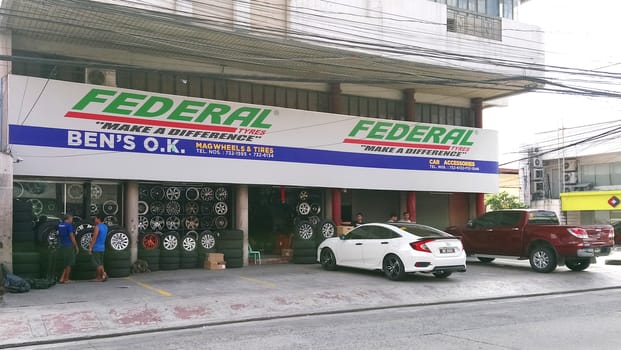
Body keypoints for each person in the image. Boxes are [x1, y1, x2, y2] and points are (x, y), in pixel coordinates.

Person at [58, 214, 78, 284]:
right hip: (69, 245)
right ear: (68, 219)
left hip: (62, 245)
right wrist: (76, 246)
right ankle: (66, 279)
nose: (72, 220)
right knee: (69, 263)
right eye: (71, 218)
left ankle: (62, 278)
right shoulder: (69, 225)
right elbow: (72, 237)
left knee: (65, 262)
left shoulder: (60, 225)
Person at [89, 214, 109, 282]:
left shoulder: (97, 227)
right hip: (102, 247)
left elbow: (94, 238)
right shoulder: (105, 227)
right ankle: (99, 277)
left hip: (96, 247)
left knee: (97, 264)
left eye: (95, 218)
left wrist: (90, 247)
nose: (94, 220)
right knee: (100, 263)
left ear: (99, 219)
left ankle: (103, 274)